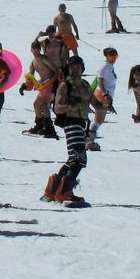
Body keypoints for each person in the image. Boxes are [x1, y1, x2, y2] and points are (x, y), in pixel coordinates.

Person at [43, 55, 106, 206]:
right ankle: (65, 192)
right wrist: (70, 106)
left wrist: (106, 103)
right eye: (72, 67)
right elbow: (57, 107)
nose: (75, 69)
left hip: (80, 123)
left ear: (82, 68)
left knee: (73, 159)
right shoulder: (65, 85)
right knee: (79, 159)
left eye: (78, 66)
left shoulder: (85, 85)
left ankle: (54, 189)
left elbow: (96, 104)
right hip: (70, 122)